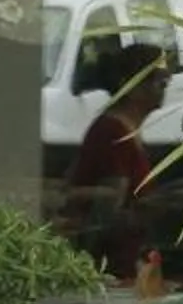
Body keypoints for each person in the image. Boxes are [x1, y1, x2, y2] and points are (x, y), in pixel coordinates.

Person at [61, 42, 169, 280]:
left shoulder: (124, 131)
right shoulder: (113, 133)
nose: (164, 86)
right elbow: (112, 201)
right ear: (131, 86)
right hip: (114, 263)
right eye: (158, 80)